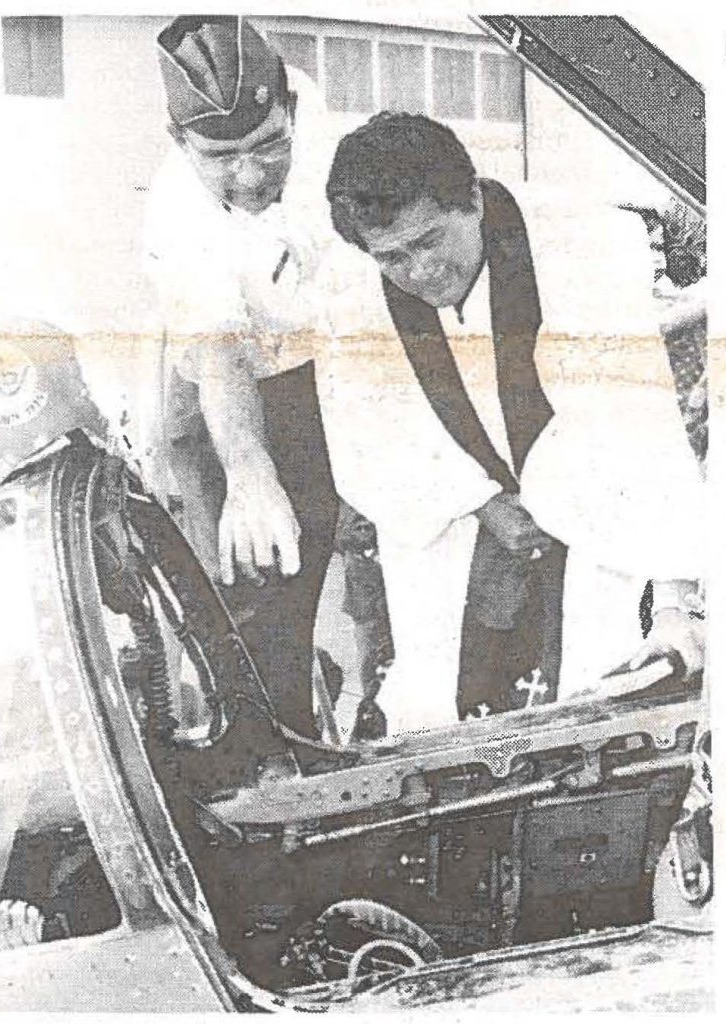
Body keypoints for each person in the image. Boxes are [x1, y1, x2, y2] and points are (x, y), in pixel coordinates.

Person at [322, 112, 705, 729]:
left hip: (592, 525)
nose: (419, 274)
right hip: (457, 533)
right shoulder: (348, 283)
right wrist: (480, 502)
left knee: (598, 705)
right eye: (393, 258)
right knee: (444, 716)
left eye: (428, 241)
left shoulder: (580, 247)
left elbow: (636, 422)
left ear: (471, 198)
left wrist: (672, 601)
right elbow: (366, 429)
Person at [143, 15, 343, 741]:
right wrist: (251, 473)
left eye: (268, 147)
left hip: (336, 352)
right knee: (255, 581)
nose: (252, 176)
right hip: (229, 385)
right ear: (179, 143)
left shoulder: (325, 131)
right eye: (221, 158)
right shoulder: (176, 212)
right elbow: (221, 351)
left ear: (289, 106)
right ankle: (280, 737)